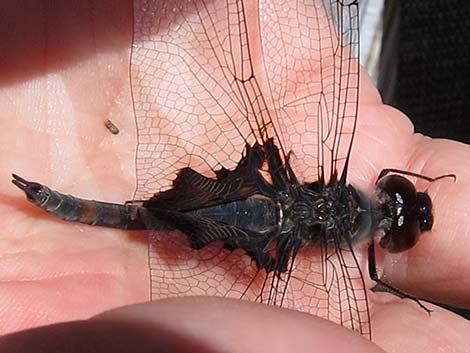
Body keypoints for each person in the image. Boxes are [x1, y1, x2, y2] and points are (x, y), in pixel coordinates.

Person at [0, 1, 469, 352]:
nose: (389, 197)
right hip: (265, 224)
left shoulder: (357, 176)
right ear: (383, 238)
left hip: (268, 196)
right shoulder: (349, 265)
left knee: (144, 217)